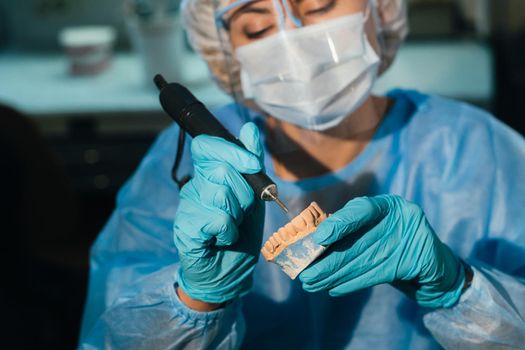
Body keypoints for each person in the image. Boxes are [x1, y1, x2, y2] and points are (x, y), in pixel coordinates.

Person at [79, 0, 525, 348]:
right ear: (226, 52)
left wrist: (458, 288)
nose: (295, 42)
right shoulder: (195, 166)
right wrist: (197, 297)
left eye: (320, 5)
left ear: (379, 9)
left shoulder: (476, 148)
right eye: (257, 27)